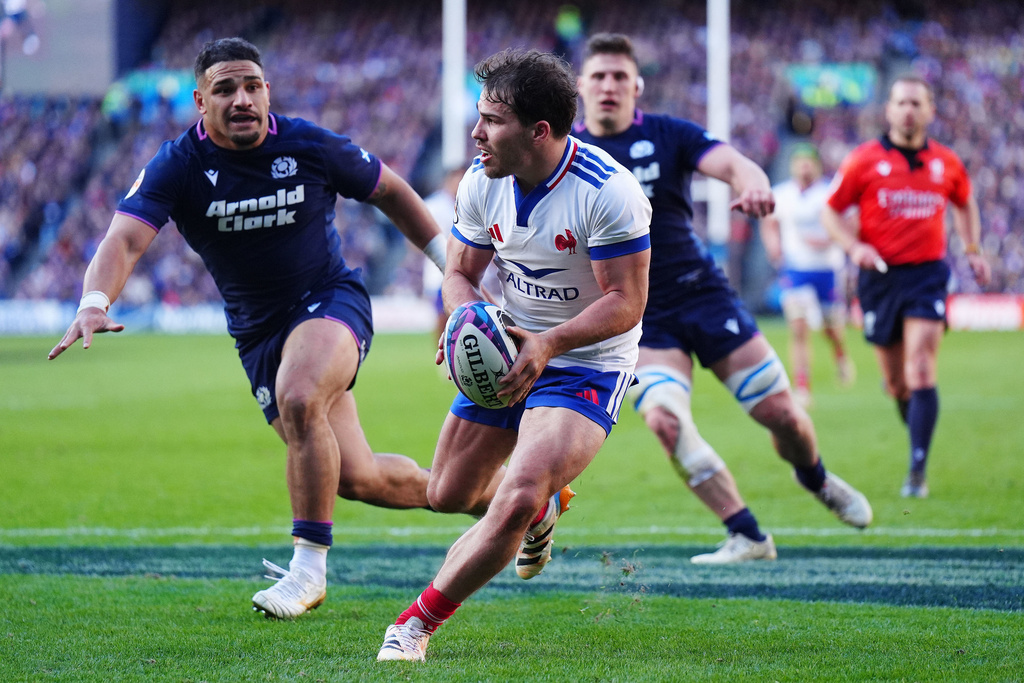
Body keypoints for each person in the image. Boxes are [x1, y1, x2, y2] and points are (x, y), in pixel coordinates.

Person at [47, 37, 494, 620]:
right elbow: (126, 237)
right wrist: (94, 300)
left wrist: (449, 265)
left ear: (267, 92)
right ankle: (516, 501)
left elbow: (389, 190)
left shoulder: (307, 143)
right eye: (226, 89)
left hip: (331, 302)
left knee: (302, 395)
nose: (242, 99)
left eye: (252, 86)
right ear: (200, 100)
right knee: (359, 479)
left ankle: (307, 570)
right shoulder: (178, 164)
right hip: (258, 335)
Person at [376, 48, 652, 662]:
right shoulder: (480, 182)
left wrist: (549, 343)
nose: (476, 134)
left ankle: (414, 625)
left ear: (539, 132)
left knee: (517, 494)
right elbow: (459, 272)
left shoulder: (609, 193)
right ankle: (547, 507)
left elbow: (626, 302)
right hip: (511, 345)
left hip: (588, 360)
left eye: (491, 121)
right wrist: (465, 321)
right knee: (447, 492)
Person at [573, 33, 872, 565]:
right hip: (637, 316)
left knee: (781, 414)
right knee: (665, 421)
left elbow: (734, 164)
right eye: (599, 76)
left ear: (637, 86)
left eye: (620, 76)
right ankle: (748, 534)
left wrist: (755, 182)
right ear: (580, 86)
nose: (609, 86)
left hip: (702, 295)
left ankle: (816, 477)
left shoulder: (669, 134)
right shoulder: (566, 157)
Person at [821, 75, 991, 498]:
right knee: (897, 384)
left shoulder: (948, 162)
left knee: (920, 368)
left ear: (931, 111)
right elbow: (831, 211)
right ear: (889, 110)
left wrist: (972, 247)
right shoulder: (863, 160)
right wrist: (853, 245)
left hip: (927, 275)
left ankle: (917, 469)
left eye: (917, 103)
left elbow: (965, 202)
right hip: (879, 277)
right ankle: (910, 413)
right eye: (901, 102)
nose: (909, 110)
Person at [761, 143, 855, 409]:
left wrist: (829, 240)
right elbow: (769, 221)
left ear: (816, 165)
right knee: (798, 328)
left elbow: (850, 222)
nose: (803, 167)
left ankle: (840, 354)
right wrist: (773, 246)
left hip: (827, 269)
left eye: (808, 161)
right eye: (799, 161)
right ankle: (802, 386)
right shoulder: (782, 194)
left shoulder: (830, 192)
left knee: (830, 328)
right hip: (796, 269)